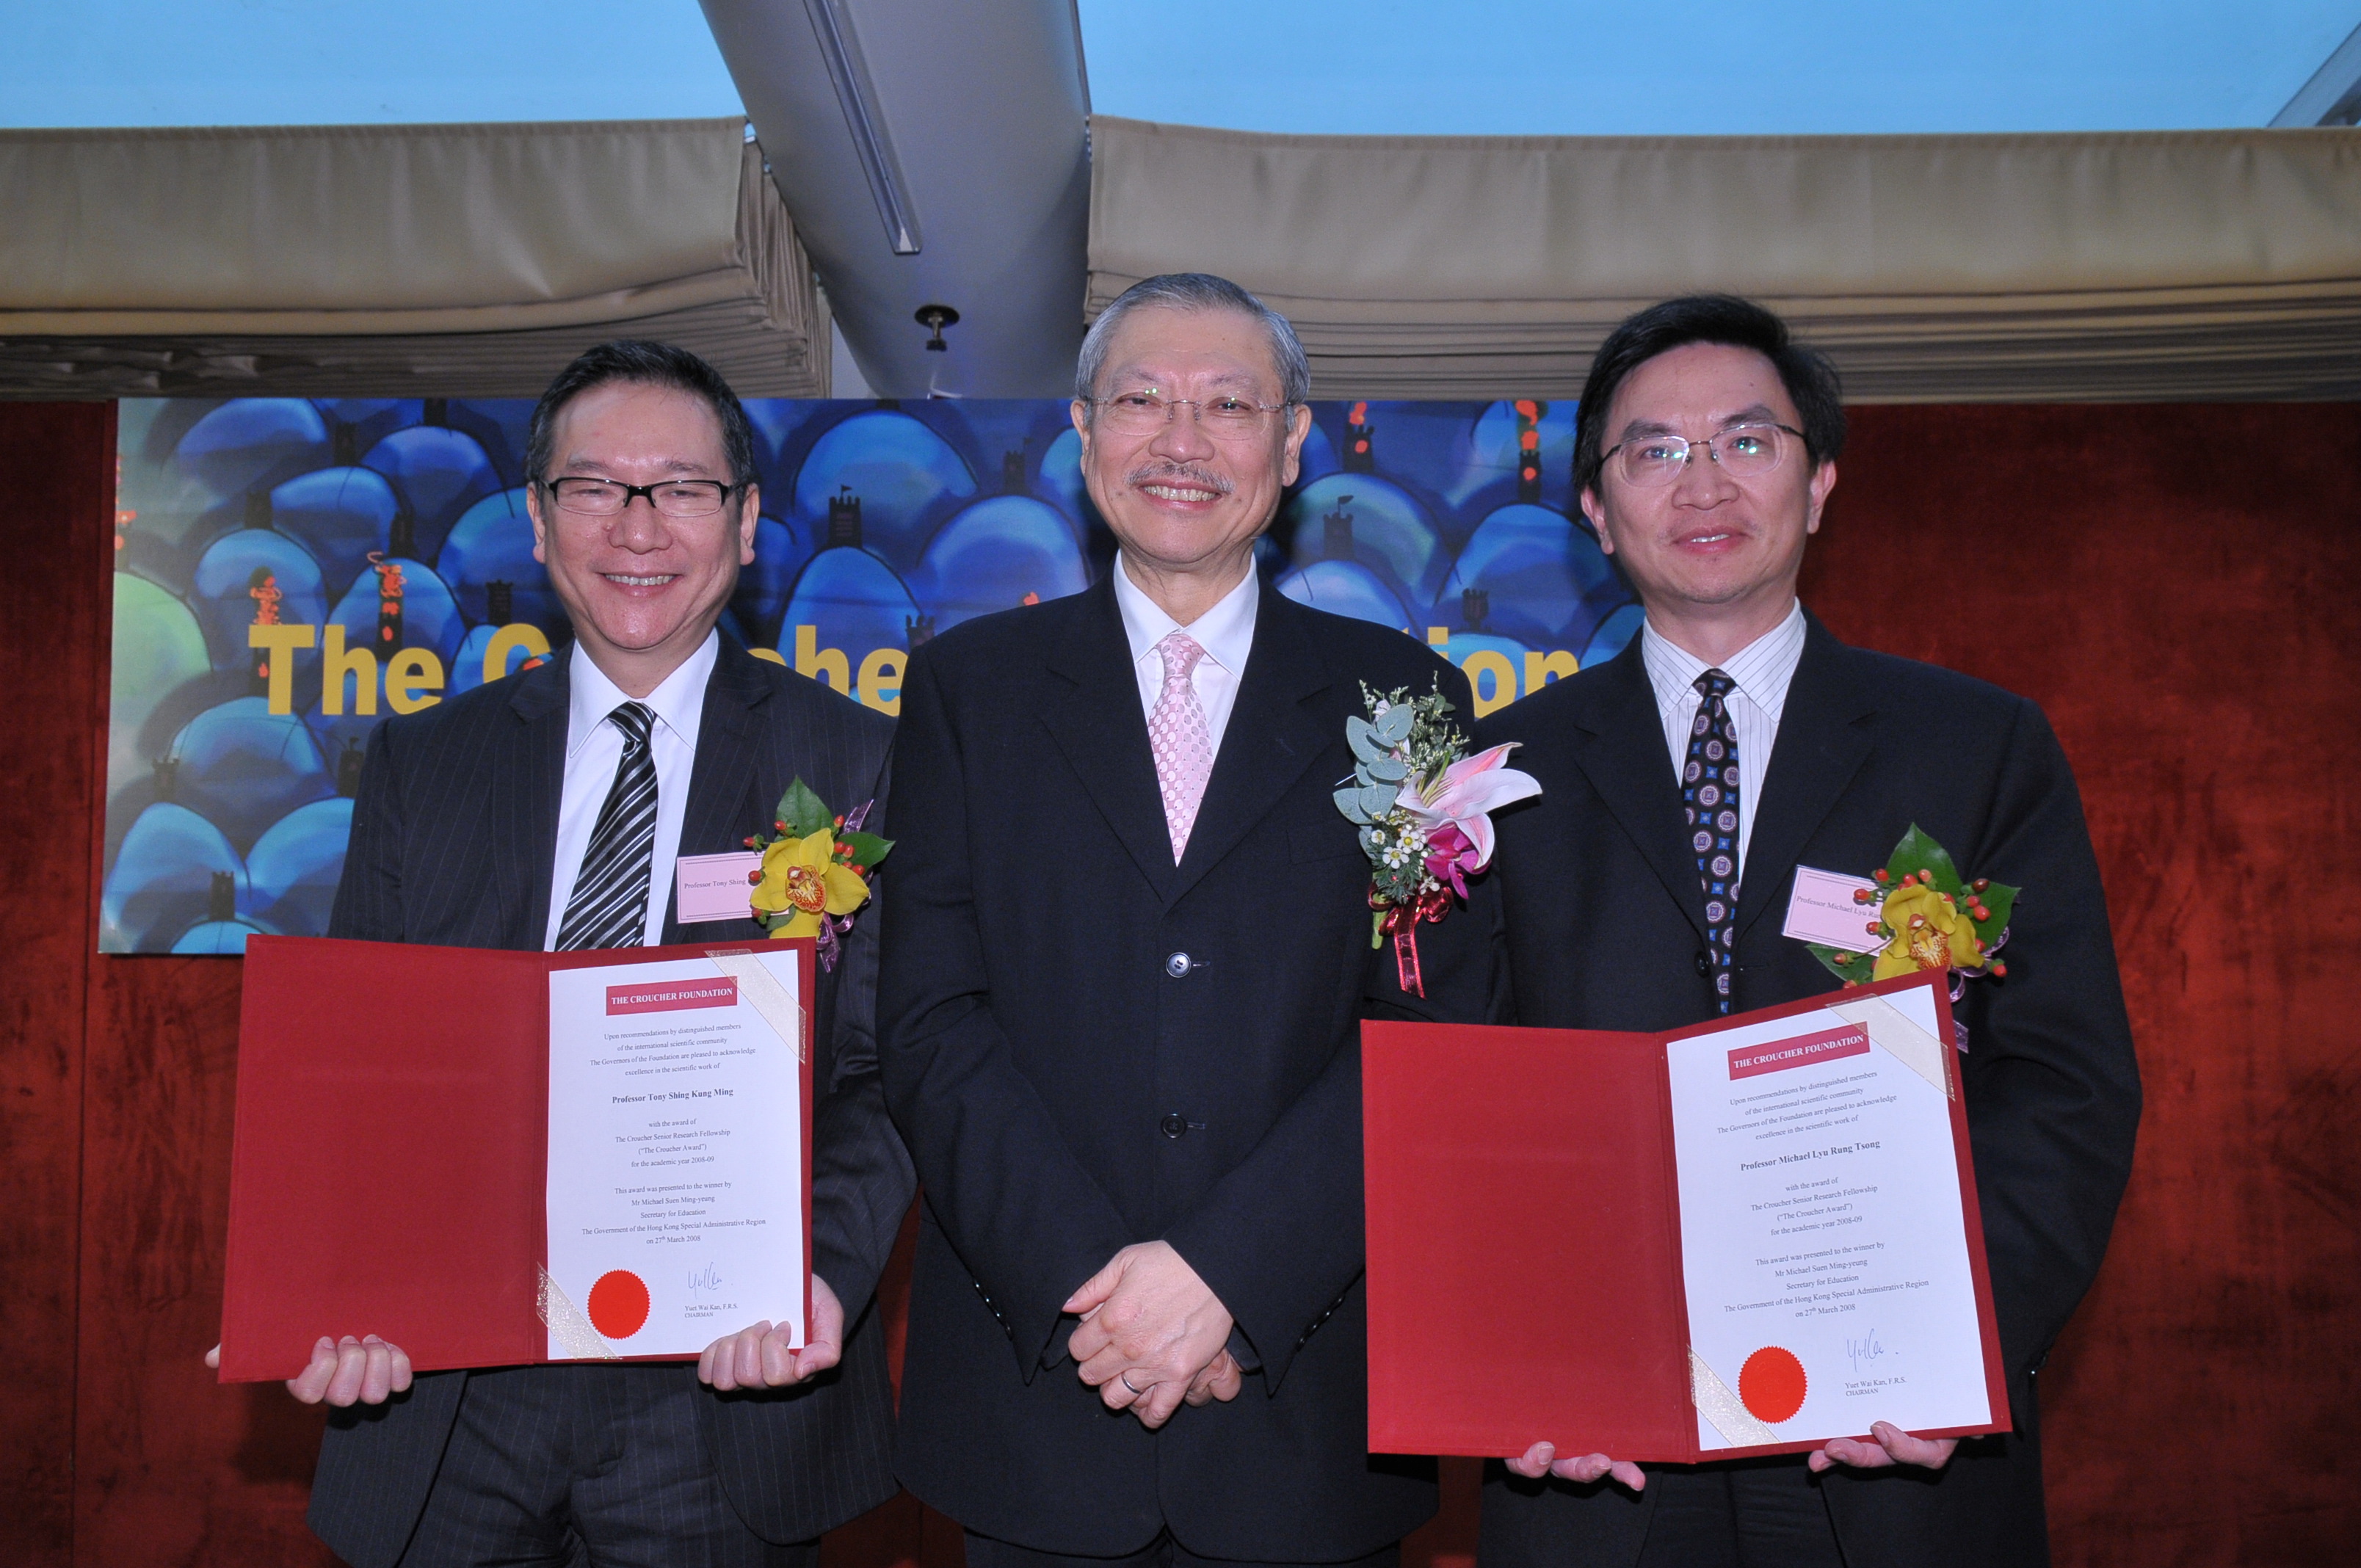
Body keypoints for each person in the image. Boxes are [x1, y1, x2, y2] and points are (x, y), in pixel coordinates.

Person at [209, 341, 912, 1568]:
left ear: (747, 524)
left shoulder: (856, 760)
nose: (637, 527)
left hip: (717, 1386)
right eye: (594, 487)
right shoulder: (428, 761)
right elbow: (359, 1081)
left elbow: (883, 1075)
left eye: (682, 488)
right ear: (537, 524)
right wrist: (334, 1293)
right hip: (454, 1388)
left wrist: (821, 1280)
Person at [1470, 295, 2141, 1566]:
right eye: (1653, 451)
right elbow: (1468, 1094)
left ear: (1821, 480)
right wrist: (1512, 1358)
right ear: (1597, 513)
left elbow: (2063, 1083)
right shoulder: (1507, 774)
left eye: (1747, 439)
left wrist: (1962, 1343)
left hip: (1893, 1451)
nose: (1703, 480)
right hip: (1598, 1461)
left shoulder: (1977, 747)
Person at [877, 274, 1496, 1568]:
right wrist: (1107, 1295)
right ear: (1082, 433)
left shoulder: (1409, 698)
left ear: (1290, 444)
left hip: (1301, 1400)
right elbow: (933, 1024)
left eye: (1229, 405)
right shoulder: (966, 693)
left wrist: (1226, 1282)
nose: (1182, 440)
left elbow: (1429, 1029)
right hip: (1038, 1393)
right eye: (1142, 400)